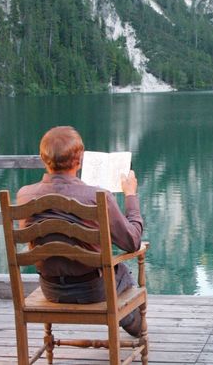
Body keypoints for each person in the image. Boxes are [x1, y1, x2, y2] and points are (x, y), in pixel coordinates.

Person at [16, 126, 144, 337]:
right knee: (122, 272)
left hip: (51, 290)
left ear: (42, 158)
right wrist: (130, 195)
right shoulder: (97, 196)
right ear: (79, 159)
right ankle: (136, 327)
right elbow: (133, 242)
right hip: (93, 290)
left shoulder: (24, 196)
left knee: (114, 272)